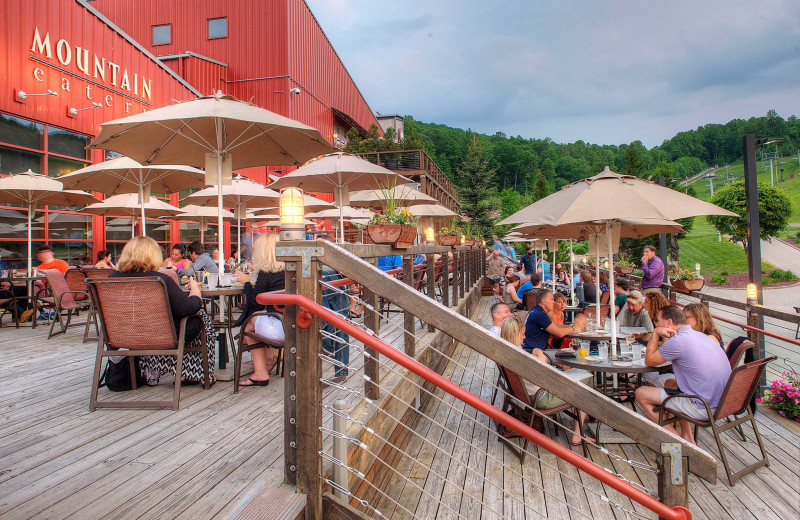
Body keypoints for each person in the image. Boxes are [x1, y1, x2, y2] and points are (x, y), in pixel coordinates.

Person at [110, 236, 216, 384]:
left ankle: (181, 371)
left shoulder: (110, 279)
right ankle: (198, 373)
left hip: (123, 335)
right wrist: (195, 293)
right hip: (160, 335)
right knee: (200, 317)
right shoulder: (159, 280)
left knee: (183, 322)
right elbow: (186, 308)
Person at [635, 305, 731, 444]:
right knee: (672, 383)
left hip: (704, 406)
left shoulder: (678, 342)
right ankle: (688, 436)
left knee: (641, 393)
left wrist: (656, 333)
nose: (656, 323)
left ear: (669, 323)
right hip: (723, 402)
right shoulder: (701, 335)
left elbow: (649, 361)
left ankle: (683, 444)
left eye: (658, 320)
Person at [500, 317, 594, 445]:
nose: (524, 338)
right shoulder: (520, 357)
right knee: (587, 380)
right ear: (515, 334)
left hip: (528, 396)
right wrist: (542, 361)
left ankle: (580, 430)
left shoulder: (507, 352)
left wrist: (535, 357)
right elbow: (546, 378)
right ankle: (578, 435)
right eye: (522, 334)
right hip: (542, 398)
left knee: (578, 379)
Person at [233, 233, 286, 387]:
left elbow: (255, 303)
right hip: (293, 324)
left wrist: (247, 283)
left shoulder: (266, 273)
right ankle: (268, 360)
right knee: (257, 318)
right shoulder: (289, 271)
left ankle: (261, 372)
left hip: (279, 329)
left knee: (249, 324)